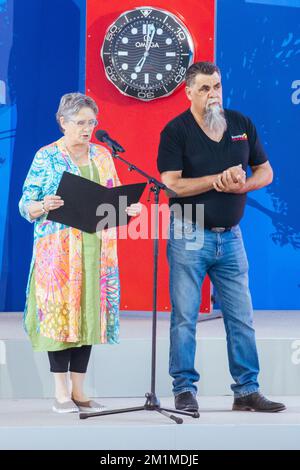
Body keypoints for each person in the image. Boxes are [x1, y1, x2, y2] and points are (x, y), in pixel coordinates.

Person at [157, 62, 286, 413]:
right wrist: (216, 180)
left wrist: (243, 184)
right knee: (184, 317)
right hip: (189, 232)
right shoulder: (176, 131)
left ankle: (246, 390)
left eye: (216, 86)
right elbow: (171, 183)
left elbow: (266, 171)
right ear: (188, 92)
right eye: (204, 89)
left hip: (231, 237)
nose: (212, 94)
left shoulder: (241, 124)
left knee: (241, 316)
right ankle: (184, 390)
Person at [19, 92, 141, 413]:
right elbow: (25, 205)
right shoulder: (47, 157)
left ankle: (79, 390)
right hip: (58, 255)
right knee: (61, 319)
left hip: (96, 252)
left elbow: (112, 200)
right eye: (80, 123)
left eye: (91, 122)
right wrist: (43, 205)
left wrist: (130, 208)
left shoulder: (102, 156)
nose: (87, 129)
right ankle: (60, 392)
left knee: (88, 317)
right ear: (63, 123)